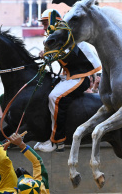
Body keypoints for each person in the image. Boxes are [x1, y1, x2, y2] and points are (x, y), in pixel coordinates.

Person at [35, 9, 102, 152]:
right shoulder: (59, 36)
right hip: (68, 76)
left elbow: (68, 54)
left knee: (55, 97)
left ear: (55, 21)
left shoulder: (69, 36)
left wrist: (47, 54)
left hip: (79, 78)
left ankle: (57, 141)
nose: (43, 27)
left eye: (45, 23)